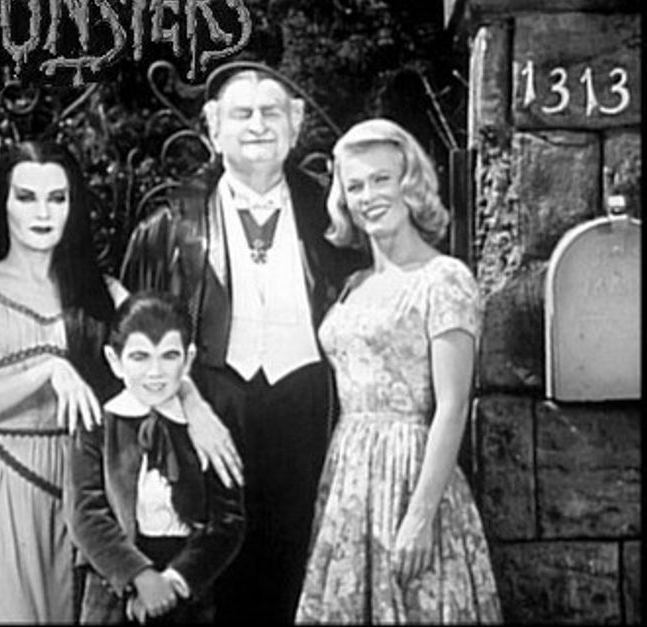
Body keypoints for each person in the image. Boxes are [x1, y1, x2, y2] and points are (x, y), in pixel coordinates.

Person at [0, 142, 242, 623]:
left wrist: (195, 406)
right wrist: (48, 369)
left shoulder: (104, 292)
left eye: (57, 198)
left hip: (84, 483)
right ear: (3, 204)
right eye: (26, 197)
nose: (42, 213)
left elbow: (157, 362)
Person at [121, 61, 366, 623]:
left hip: (307, 412)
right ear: (213, 127)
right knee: (209, 579)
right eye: (242, 113)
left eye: (271, 112)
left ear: (296, 123)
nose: (258, 125)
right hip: (210, 411)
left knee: (295, 572)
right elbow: (137, 335)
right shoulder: (171, 223)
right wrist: (189, 403)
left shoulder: (333, 216)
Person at [295, 118, 502, 623]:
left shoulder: (443, 279)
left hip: (410, 474)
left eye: (381, 179)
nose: (368, 196)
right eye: (355, 186)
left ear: (409, 183)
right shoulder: (353, 284)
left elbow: (452, 406)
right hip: (348, 479)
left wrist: (420, 515)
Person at [67, 291, 245, 624]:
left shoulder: (208, 430)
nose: (155, 372)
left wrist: (175, 581)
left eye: (169, 356)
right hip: (114, 584)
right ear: (115, 360)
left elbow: (228, 521)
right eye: (140, 357)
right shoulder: (97, 426)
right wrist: (140, 577)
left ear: (188, 360)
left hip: (186, 587)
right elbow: (85, 515)